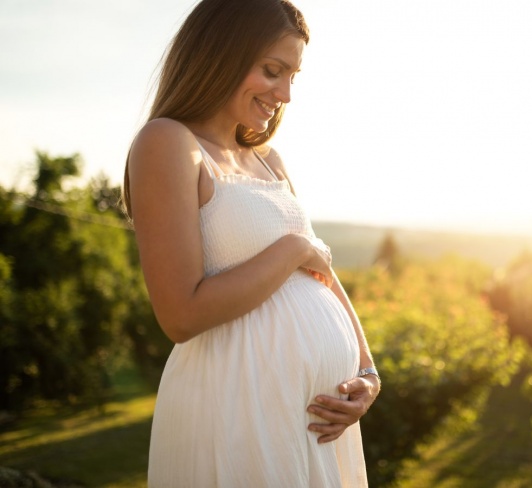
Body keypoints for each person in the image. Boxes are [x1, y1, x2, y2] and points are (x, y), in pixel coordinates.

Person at [122, 0, 380, 485]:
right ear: (220, 54)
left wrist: (368, 372)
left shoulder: (268, 160)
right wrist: (292, 250)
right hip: (237, 410)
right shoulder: (168, 142)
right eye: (272, 70)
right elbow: (180, 314)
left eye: (293, 76)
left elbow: (320, 270)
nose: (285, 93)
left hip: (314, 423)